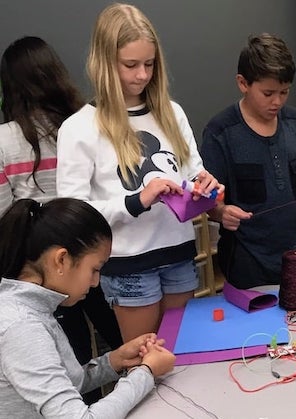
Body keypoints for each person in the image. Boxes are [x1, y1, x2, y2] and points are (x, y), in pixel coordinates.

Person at [57, 3, 221, 342]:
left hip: (179, 255)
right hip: (128, 263)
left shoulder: (171, 113)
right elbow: (73, 214)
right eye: (130, 65)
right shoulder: (80, 128)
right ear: (104, 63)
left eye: (149, 64)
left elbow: (192, 172)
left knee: (182, 359)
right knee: (145, 367)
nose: (142, 75)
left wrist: (205, 185)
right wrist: (136, 200)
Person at [0, 36, 123, 403]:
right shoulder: (84, 123)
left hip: (43, 265)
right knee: (114, 340)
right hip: (93, 246)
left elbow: (5, 213)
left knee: (70, 360)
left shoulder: (4, 141)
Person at [0, 198, 176, 418]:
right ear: (62, 260)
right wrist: (145, 373)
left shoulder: (33, 308)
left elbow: (66, 384)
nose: (95, 282)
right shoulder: (22, 326)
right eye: (94, 269)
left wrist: (114, 361)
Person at [201, 34, 296, 289]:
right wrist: (222, 212)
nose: (277, 101)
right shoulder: (221, 132)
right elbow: (210, 200)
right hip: (248, 265)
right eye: (268, 93)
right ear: (243, 83)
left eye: (284, 92)